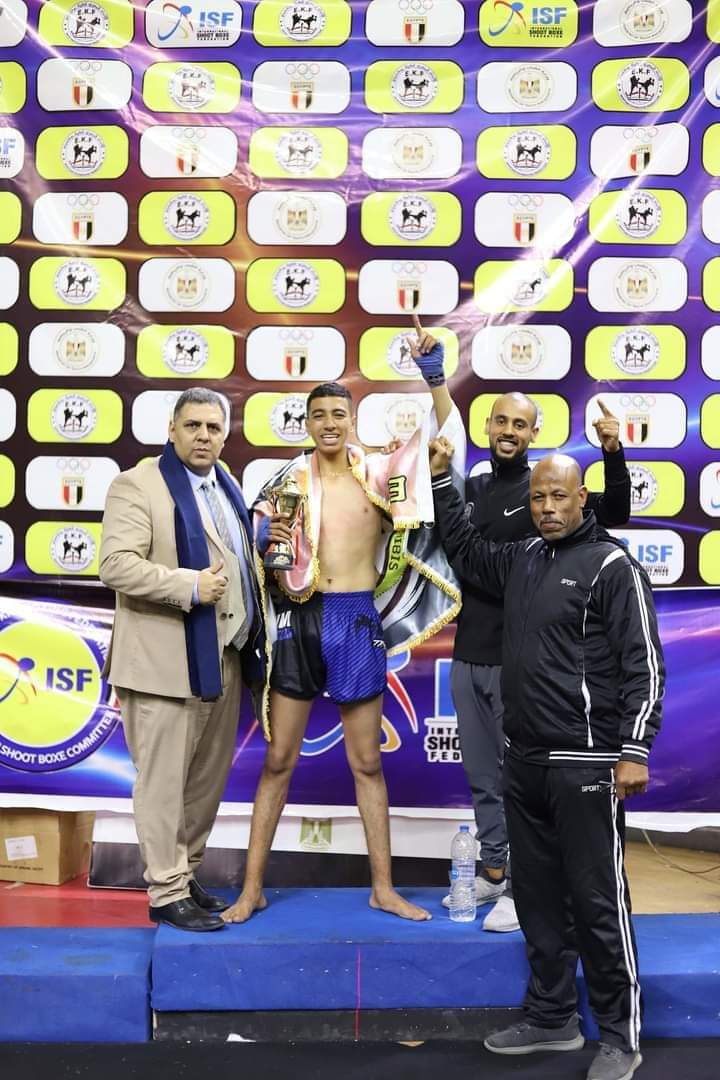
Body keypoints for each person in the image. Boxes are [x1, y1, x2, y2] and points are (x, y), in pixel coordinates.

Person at [429, 440, 663, 1080]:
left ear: (582, 498)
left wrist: (634, 749)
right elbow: (468, 553)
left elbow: (644, 664)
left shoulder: (612, 566)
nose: (547, 507)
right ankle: (553, 1017)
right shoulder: (525, 557)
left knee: (597, 901)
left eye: (559, 496)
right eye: (537, 497)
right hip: (525, 762)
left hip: (586, 764)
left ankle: (620, 1036)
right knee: (535, 899)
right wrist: (442, 482)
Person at [223, 332, 465, 925]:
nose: (329, 423)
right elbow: (257, 553)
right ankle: (251, 890)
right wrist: (261, 541)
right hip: (300, 619)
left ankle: (383, 888)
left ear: (351, 419)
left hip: (356, 619)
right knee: (278, 760)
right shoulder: (285, 484)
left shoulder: (380, 474)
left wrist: (435, 379)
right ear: (306, 423)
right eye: (319, 415)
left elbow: (447, 444)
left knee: (367, 763)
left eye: (338, 413)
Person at [443, 386, 631, 932]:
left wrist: (613, 453)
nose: (508, 431)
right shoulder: (472, 487)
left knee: (518, 782)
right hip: (467, 653)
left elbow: (615, 511)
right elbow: (453, 544)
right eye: (500, 421)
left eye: (520, 424)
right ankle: (494, 870)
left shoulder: (546, 490)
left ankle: (521, 888)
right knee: (483, 778)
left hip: (518, 661)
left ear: (533, 433)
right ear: (487, 426)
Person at [99, 388, 265, 932]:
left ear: (224, 435)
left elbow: (233, 558)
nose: (203, 436)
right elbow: (115, 565)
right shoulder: (137, 484)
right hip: (162, 663)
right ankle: (165, 890)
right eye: (193, 425)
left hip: (221, 659)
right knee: (163, 784)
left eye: (213, 428)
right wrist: (189, 585)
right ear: (172, 429)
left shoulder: (226, 483)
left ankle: (185, 876)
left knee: (204, 785)